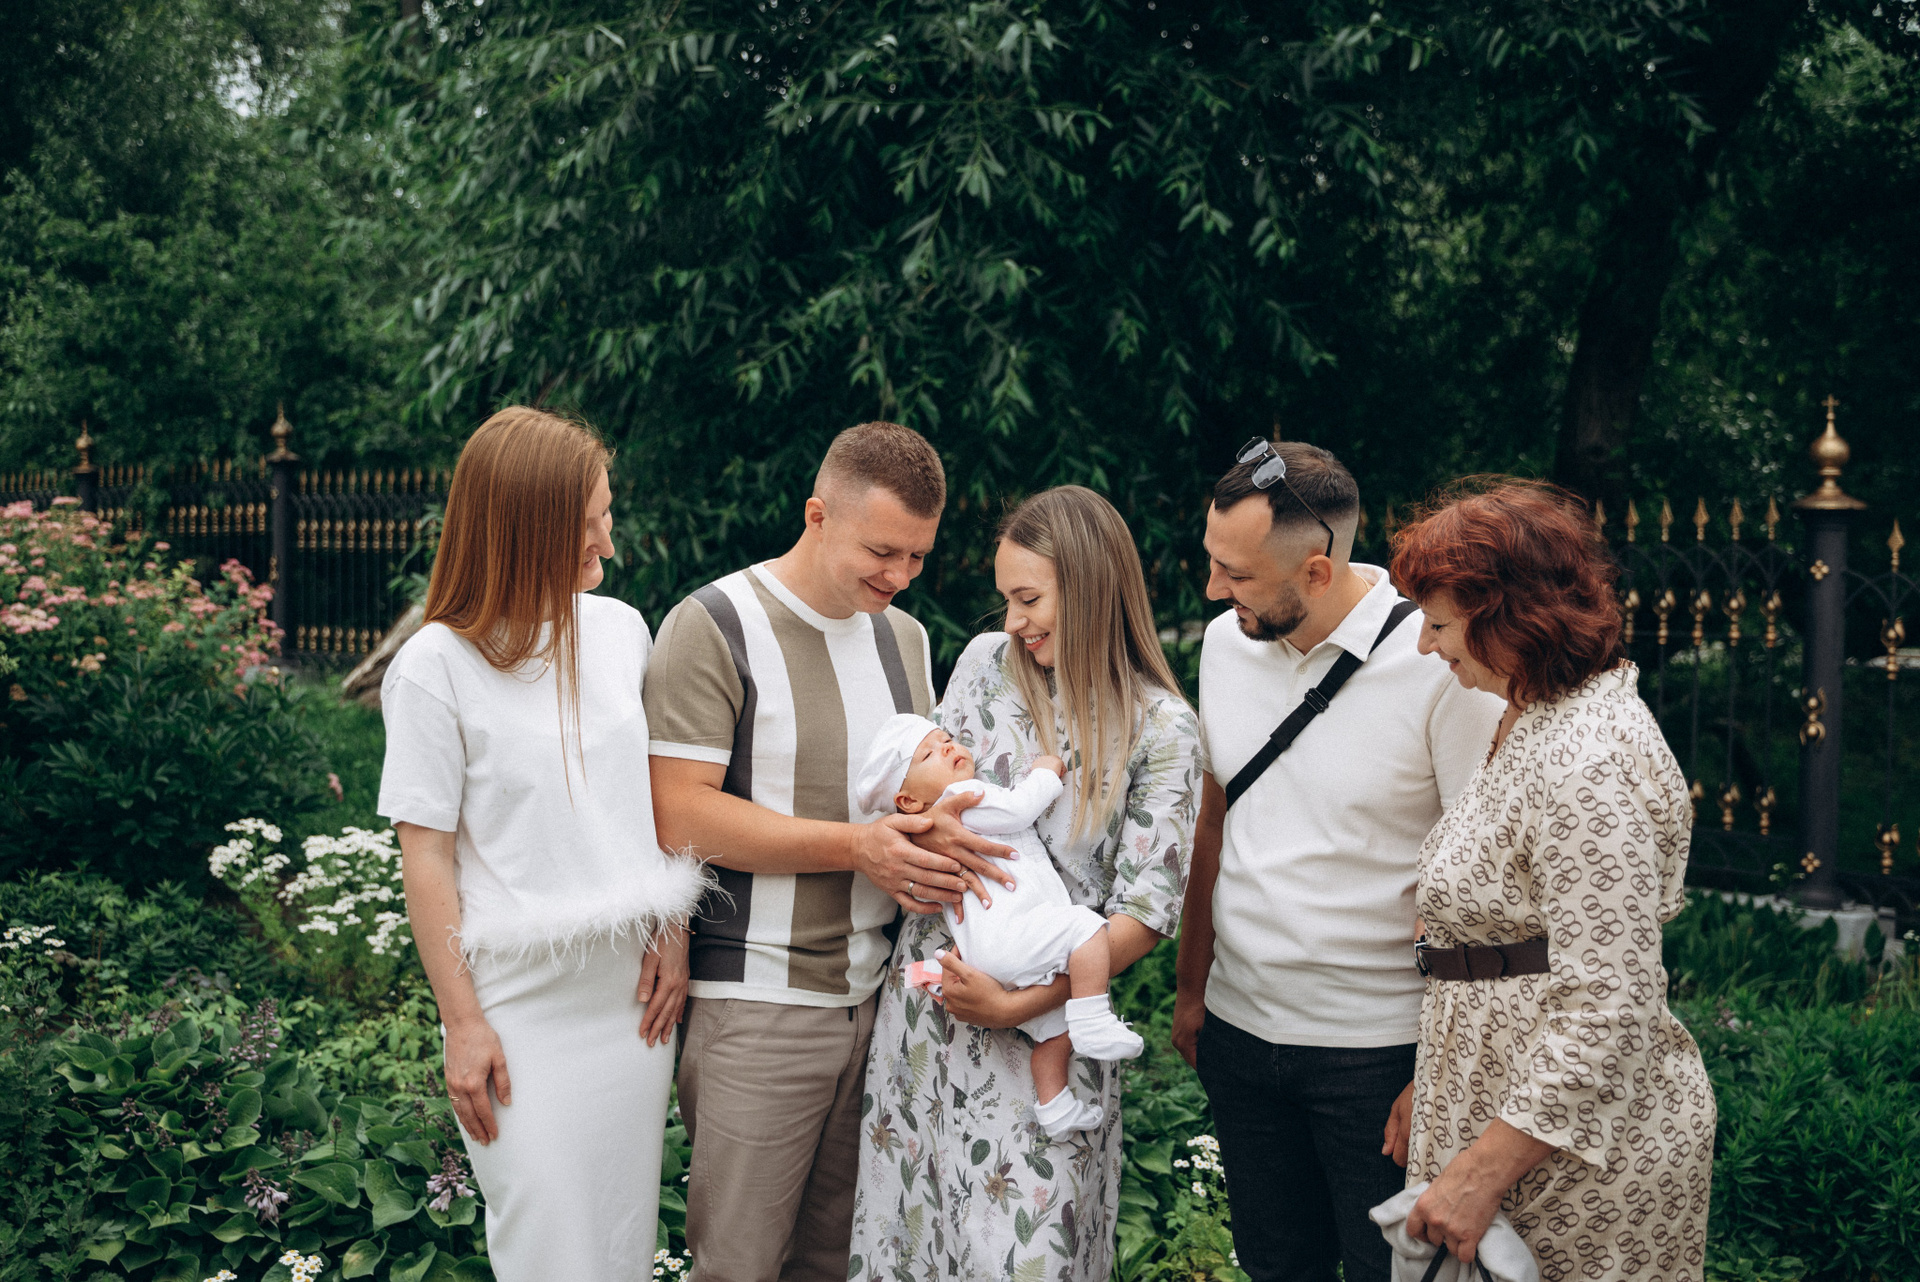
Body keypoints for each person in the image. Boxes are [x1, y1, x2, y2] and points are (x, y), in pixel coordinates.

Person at [645, 422, 1013, 1282]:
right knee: (738, 1267)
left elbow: (914, 797)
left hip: (882, 1006)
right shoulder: (713, 623)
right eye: (882, 552)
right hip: (757, 1004)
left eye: (917, 557)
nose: (900, 575)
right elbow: (678, 815)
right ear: (817, 516)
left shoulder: (906, 639)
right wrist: (858, 849)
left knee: (842, 1265)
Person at [377, 407, 711, 1281]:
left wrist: (672, 922)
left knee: (619, 1244)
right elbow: (426, 856)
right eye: (589, 522)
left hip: (630, 1001)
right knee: (550, 1250)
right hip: (517, 1009)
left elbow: (654, 801)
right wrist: (462, 1024)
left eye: (608, 512)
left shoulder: (622, 630)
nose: (610, 540)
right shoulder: (433, 667)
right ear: (524, 527)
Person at [1171, 439, 1505, 1282]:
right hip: (1239, 1035)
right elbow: (1215, 819)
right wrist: (1191, 987)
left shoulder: (1438, 667)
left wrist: (1439, 1074)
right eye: (1213, 562)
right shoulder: (1223, 643)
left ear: (1316, 572)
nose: (1212, 590)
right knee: (1276, 1268)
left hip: (1379, 1055)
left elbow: (1484, 886)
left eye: (1236, 574)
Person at [848, 485, 1201, 1282]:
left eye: (1029, 599)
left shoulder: (1163, 728)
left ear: (1092, 587)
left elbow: (1145, 912)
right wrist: (920, 845)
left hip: (1051, 1033)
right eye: (1007, 599)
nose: (1012, 621)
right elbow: (916, 795)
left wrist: (1018, 1005)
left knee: (1025, 1254)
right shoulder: (984, 664)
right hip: (930, 1022)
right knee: (913, 1242)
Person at [1385, 480, 1715, 1280]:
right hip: (1501, 1113)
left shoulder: (1588, 760)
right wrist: (1435, 1076)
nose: (1425, 646)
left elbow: (1610, 1003)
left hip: (1570, 1160)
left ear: (1507, 615)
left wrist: (1483, 1172)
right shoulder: (1533, 715)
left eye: (1438, 625)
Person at [853, 713, 1145, 1139]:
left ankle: (1055, 1106)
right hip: (1017, 934)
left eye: (946, 739)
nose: (948, 748)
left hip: (988, 957)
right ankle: (1093, 1016)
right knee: (1086, 928)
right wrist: (1047, 773)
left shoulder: (925, 842)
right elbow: (1019, 809)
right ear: (909, 802)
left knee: (1052, 1030)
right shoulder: (962, 797)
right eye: (928, 754)